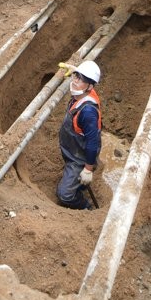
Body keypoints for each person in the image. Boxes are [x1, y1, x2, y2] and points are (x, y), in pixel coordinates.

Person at [57, 60, 103, 210]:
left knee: (65, 195)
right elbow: (82, 79)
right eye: (76, 76)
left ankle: (85, 207)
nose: (75, 80)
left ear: (90, 86)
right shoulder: (85, 92)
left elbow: (92, 143)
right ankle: (76, 183)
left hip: (80, 158)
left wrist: (88, 169)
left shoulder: (88, 112)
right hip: (72, 150)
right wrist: (75, 70)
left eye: (80, 79)